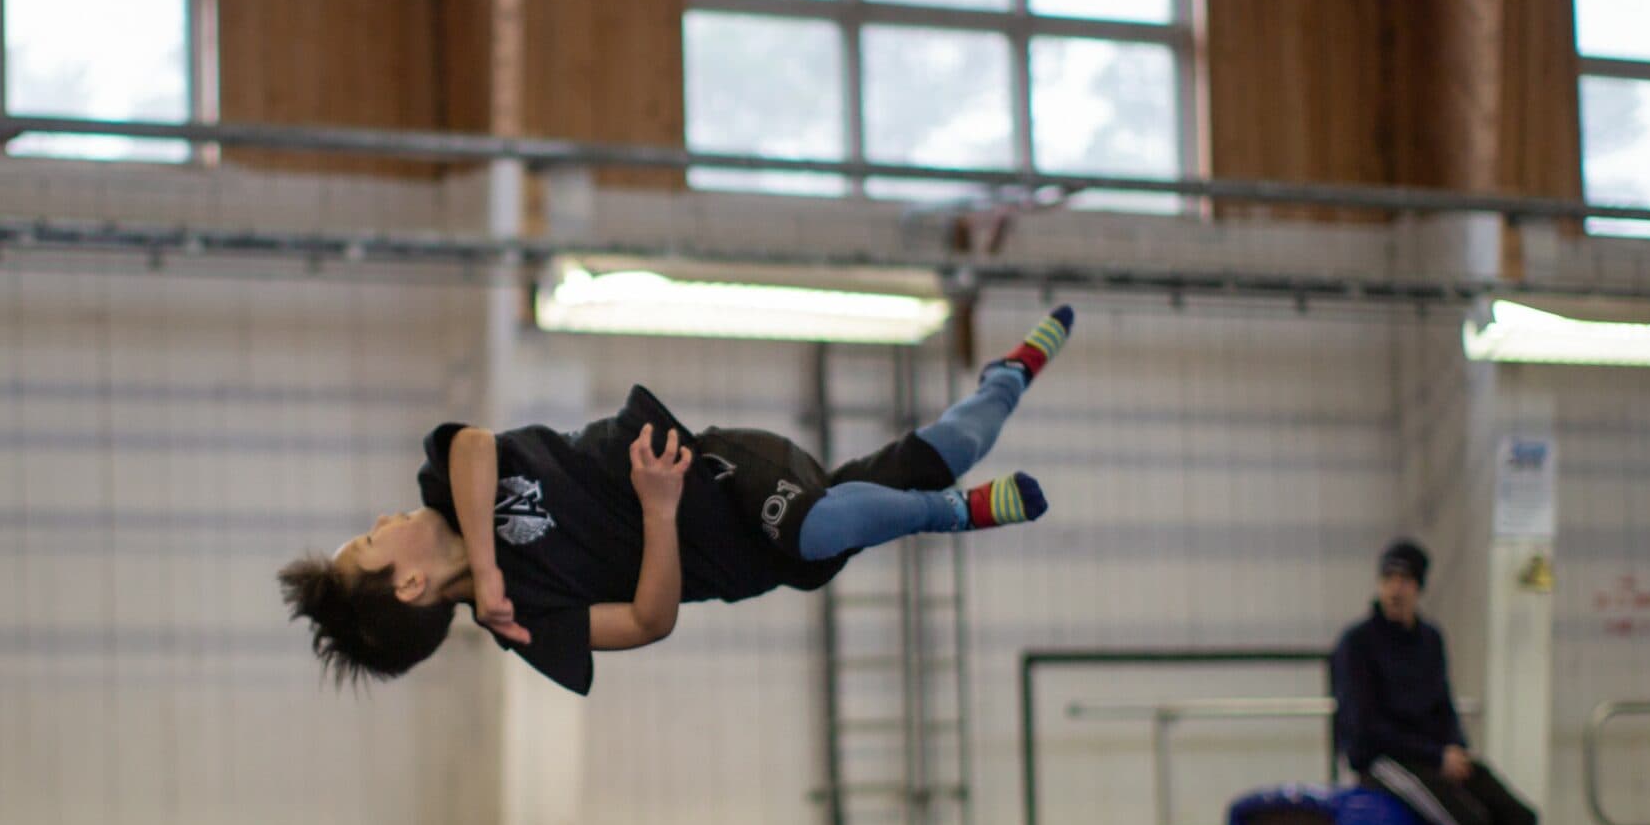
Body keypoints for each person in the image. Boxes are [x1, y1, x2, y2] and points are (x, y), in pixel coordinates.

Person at [280, 308, 1073, 694]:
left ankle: (954, 515)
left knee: (820, 523)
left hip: (718, 471)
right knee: (937, 455)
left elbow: (473, 442)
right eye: (371, 541)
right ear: (410, 585)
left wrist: (486, 567)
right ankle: (1007, 376)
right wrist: (655, 514)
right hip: (729, 550)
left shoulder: (450, 490)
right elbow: (648, 621)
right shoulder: (526, 626)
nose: (385, 520)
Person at [1331, 539, 1543, 825]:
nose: (1395, 589)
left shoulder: (1430, 639)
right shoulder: (1357, 644)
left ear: (1418, 588)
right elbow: (1364, 731)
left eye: (1404, 581)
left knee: (1519, 816)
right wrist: (1434, 754)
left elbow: (1443, 706)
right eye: (1389, 579)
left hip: (1434, 755)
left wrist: (1457, 751)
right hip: (1383, 759)